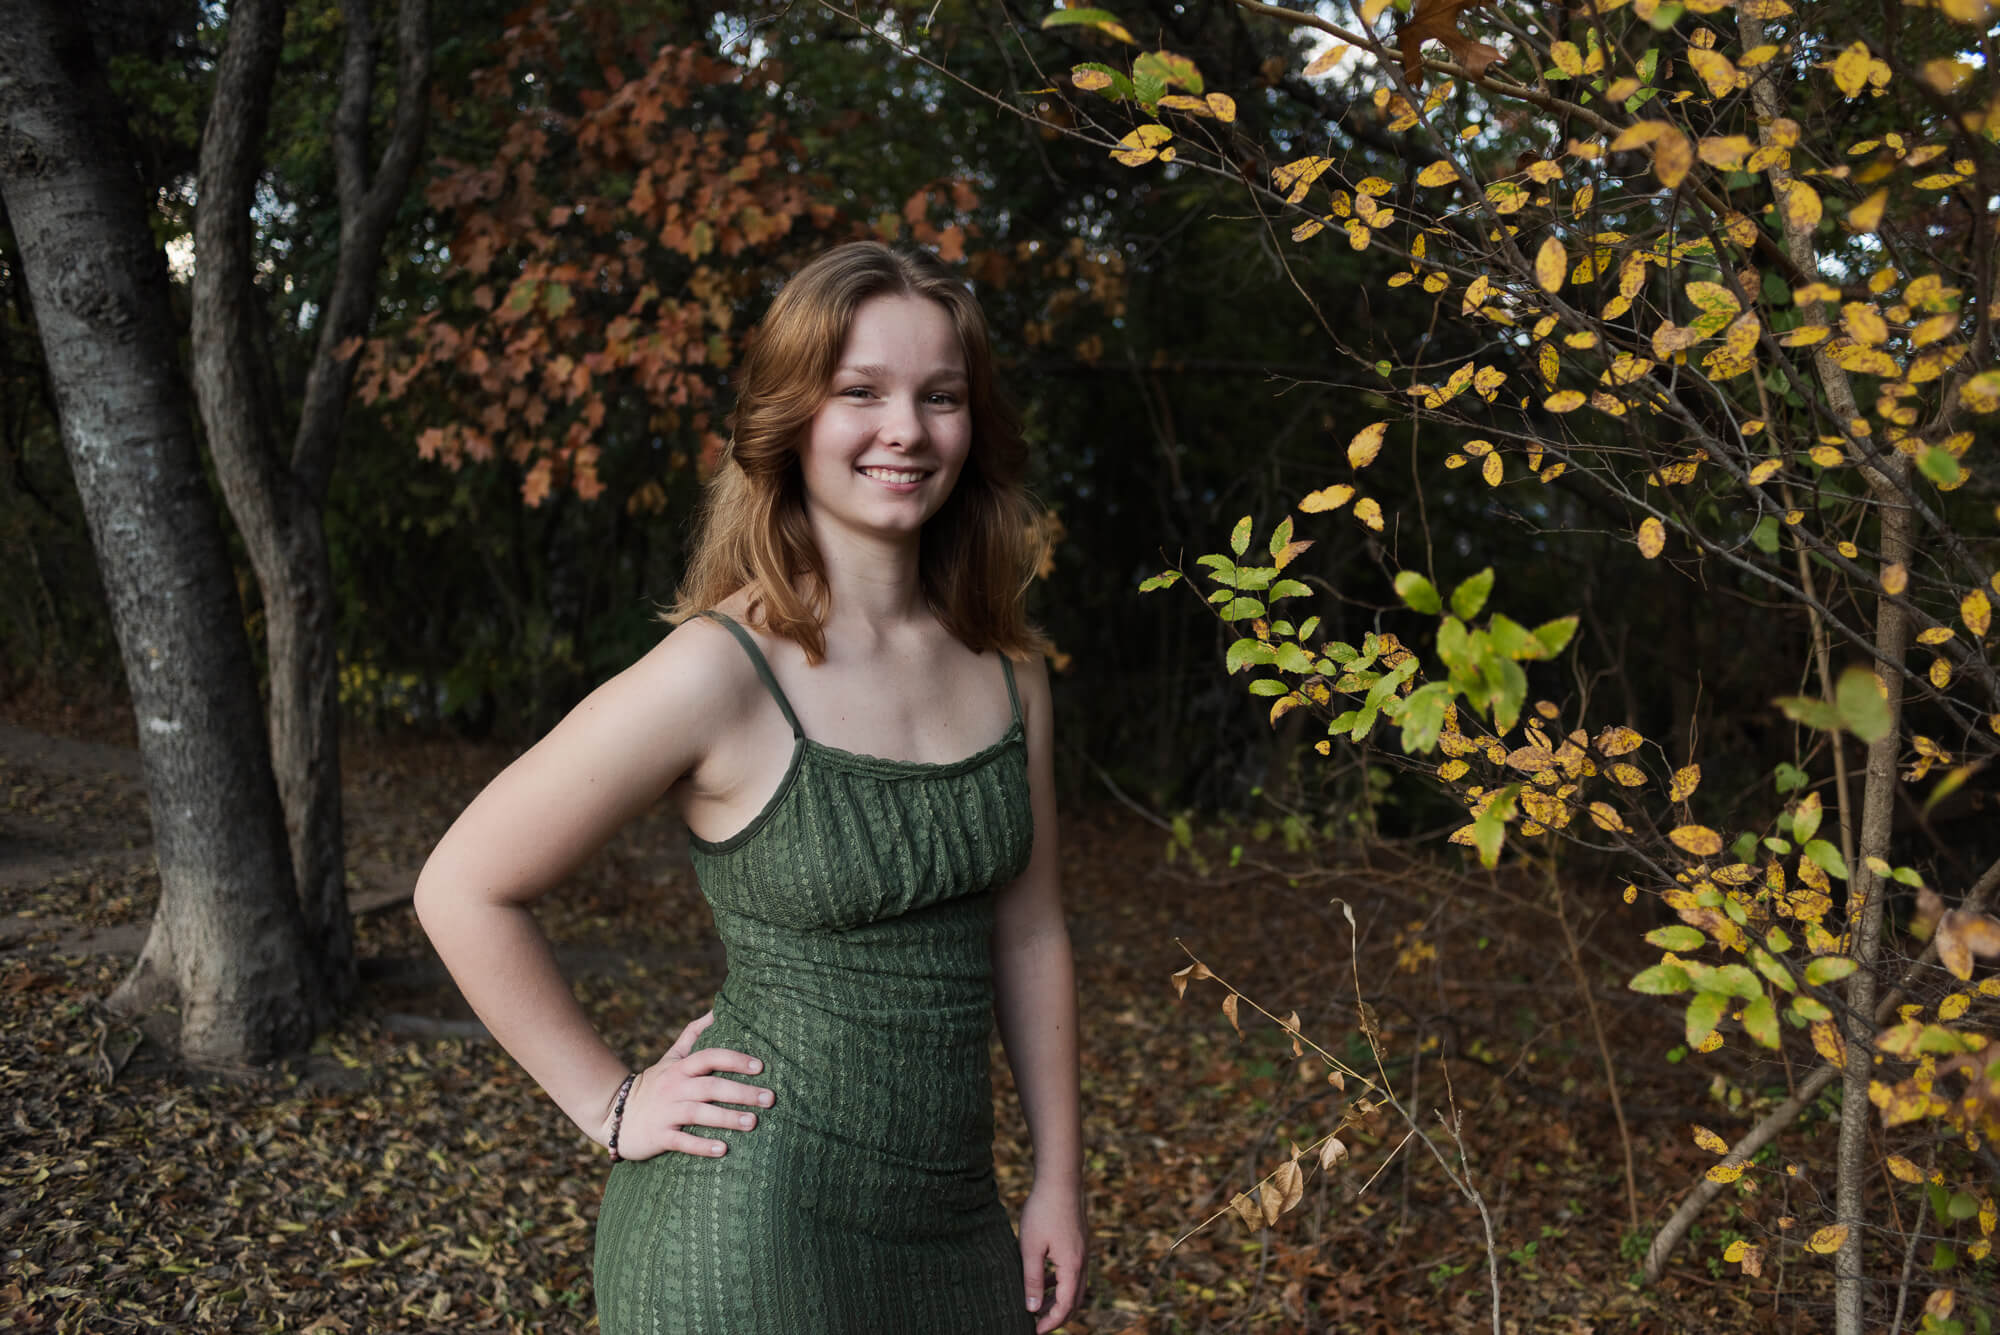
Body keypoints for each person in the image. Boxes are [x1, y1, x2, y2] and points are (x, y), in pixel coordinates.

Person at [413, 240, 1085, 1334]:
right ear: (790, 421)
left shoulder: (1011, 674)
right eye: (858, 391)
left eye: (940, 396)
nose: (905, 429)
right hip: (748, 1229)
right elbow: (462, 886)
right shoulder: (717, 671)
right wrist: (608, 1100)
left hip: (955, 1229)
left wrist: (1060, 1175)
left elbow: (1029, 931)